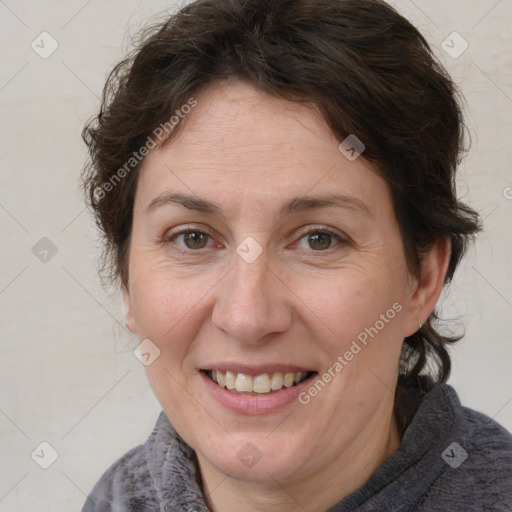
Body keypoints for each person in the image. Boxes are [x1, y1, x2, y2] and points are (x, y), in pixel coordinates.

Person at [80, 0, 512, 510]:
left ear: (421, 280)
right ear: (127, 282)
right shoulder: (112, 500)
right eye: (193, 238)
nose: (247, 318)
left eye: (319, 239)